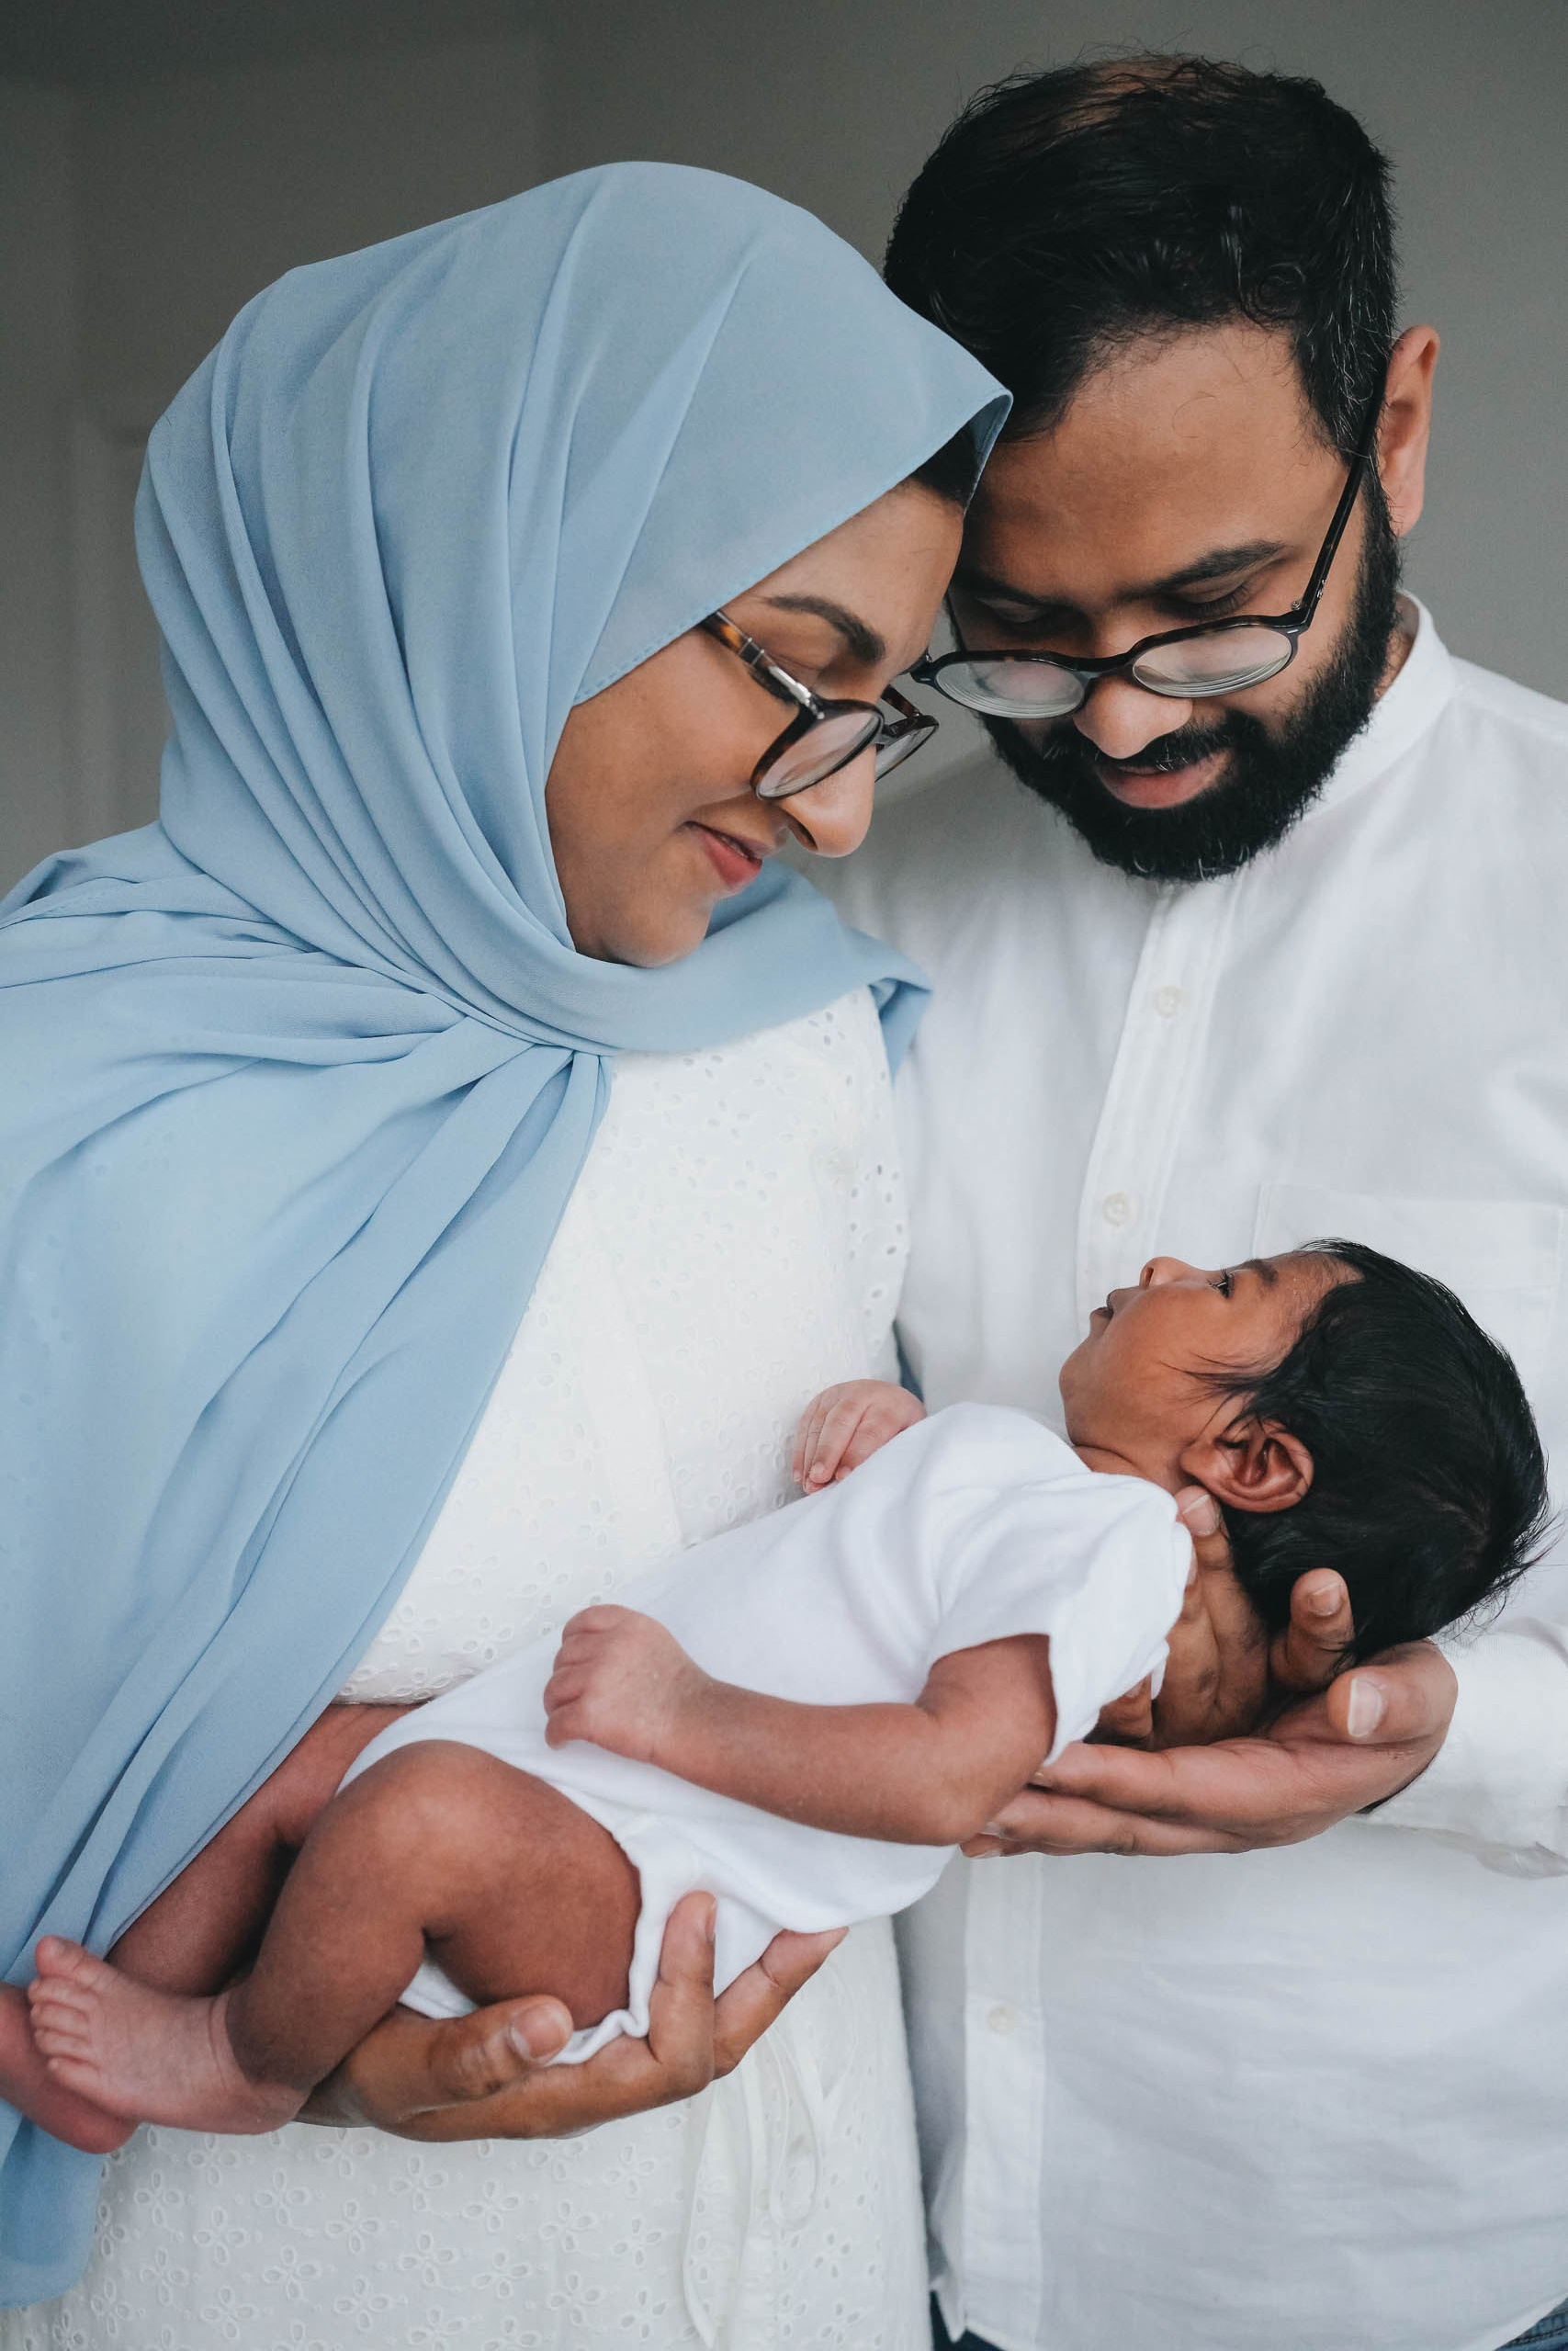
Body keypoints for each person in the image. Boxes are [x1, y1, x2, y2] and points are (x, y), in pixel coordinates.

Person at [0, 164, 1009, 2345]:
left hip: (789, 2255)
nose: (838, 809)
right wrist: (315, 2047)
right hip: (266, 2271)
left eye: (884, 707)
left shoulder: (803, 1037)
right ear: (495, 568)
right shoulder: (58, 1097)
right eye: (794, 671)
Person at [825, 54, 1568, 2351]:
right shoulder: (826, 906)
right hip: (855, 2242)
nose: (1121, 721)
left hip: (1416, 2271)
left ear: (1401, 428)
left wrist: (1432, 1733)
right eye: (1019, 638)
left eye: (1216, 610)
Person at [19, 1238, 1546, 2149]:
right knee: (316, 1761)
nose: (1159, 1268)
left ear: (1256, 1460)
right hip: (588, 1792)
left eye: (1226, 1283)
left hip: (652, 1874)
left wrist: (679, 1712)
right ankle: (133, 2022)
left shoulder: (1112, 1547)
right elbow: (919, 1578)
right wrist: (902, 1443)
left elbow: (955, 1770)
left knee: (407, 1818)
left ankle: (236, 2064)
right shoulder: (1054, 1495)